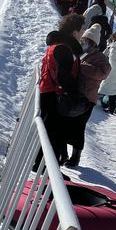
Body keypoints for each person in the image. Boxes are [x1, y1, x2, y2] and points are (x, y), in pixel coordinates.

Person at [60, 24, 111, 167]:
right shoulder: (81, 53)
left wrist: (82, 67)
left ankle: (75, 157)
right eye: (83, 39)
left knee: (78, 127)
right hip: (74, 95)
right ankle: (63, 154)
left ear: (93, 43)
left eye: (86, 40)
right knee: (64, 124)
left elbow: (104, 73)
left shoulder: (100, 57)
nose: (83, 42)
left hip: (87, 99)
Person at [40, 13, 85, 164]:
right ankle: (47, 168)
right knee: (54, 134)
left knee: (50, 132)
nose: (83, 34)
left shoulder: (57, 46)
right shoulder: (63, 49)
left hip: (49, 92)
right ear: (74, 32)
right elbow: (63, 76)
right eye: (81, 31)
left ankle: (43, 165)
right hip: (55, 95)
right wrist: (74, 95)